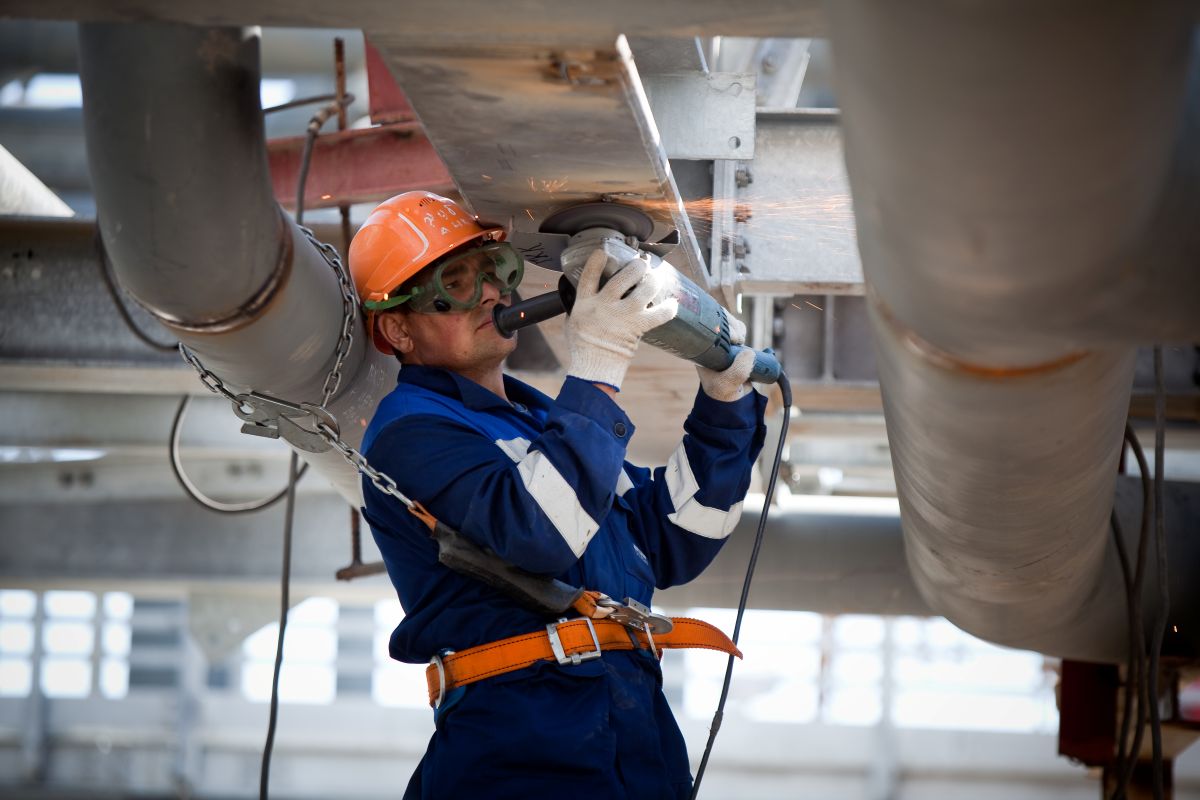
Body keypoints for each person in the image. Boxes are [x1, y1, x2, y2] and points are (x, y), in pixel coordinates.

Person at [348, 191, 767, 799]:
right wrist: (598, 363)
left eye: (494, 273)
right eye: (454, 285)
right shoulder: (411, 432)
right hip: (522, 741)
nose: (490, 295)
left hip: (633, 737)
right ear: (397, 329)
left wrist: (725, 407)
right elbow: (540, 534)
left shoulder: (546, 423)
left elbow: (676, 538)